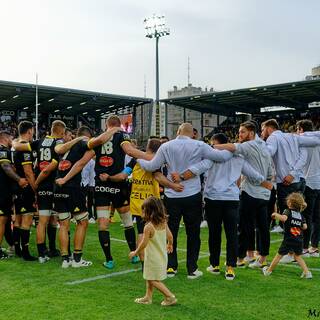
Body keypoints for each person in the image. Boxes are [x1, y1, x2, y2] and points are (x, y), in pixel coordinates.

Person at [137, 123, 234, 279]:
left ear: (178, 132)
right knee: (193, 233)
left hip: (172, 195)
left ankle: (171, 267)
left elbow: (151, 166)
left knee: (170, 231)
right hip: (192, 194)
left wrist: (138, 158)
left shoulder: (166, 146)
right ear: (192, 133)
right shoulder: (199, 145)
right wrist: (235, 148)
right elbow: (221, 157)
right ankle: (192, 269)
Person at [173, 133, 272, 280]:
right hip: (231, 199)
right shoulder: (238, 157)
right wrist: (266, 183)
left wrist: (181, 176)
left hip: (214, 198)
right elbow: (252, 173)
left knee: (215, 233)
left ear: (216, 143)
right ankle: (230, 267)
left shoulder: (212, 156)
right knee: (231, 234)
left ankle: (215, 265)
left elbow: (198, 168)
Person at [98, 138, 184, 264]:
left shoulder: (135, 160)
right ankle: (159, 259)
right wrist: (173, 186)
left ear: (148, 147)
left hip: (139, 203)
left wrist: (109, 177)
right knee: (161, 229)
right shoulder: (156, 161)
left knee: (141, 232)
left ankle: (143, 261)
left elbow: (123, 176)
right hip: (153, 203)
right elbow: (159, 177)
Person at [214, 121, 273, 268]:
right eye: (239, 132)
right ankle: (260, 258)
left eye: (242, 132)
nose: (239, 134)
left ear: (251, 133)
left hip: (251, 191)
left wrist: (213, 146)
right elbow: (271, 171)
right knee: (262, 226)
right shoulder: (264, 146)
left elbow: (232, 147)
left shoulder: (248, 145)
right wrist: (266, 183)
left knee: (244, 226)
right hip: (264, 194)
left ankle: (239, 258)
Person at [128, 197, 177, 306]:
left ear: (150, 212)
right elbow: (170, 235)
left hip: (152, 258)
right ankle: (147, 297)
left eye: (144, 210)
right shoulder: (163, 222)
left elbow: (144, 243)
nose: (142, 212)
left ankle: (170, 296)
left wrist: (135, 252)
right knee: (150, 276)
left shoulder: (148, 227)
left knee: (152, 279)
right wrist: (170, 244)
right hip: (162, 256)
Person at [262, 192, 312, 279]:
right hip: (299, 239)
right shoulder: (301, 215)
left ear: (290, 203)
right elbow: (305, 227)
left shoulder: (287, 211)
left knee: (279, 255)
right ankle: (307, 273)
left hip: (289, 239)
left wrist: (275, 214)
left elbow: (283, 218)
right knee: (297, 256)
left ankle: (268, 271)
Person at [0, 131, 28, 259]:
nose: (12, 140)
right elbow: (6, 167)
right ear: (5, 138)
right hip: (2, 191)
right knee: (2, 220)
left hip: (4, 191)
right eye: (11, 137)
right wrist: (19, 179)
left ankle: (10, 245)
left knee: (4, 221)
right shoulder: (3, 150)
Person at [12, 121, 38, 261]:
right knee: (26, 219)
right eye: (32, 131)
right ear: (29, 131)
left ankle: (17, 249)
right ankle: (26, 252)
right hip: (25, 188)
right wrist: (35, 189)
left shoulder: (15, 147)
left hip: (16, 187)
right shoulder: (24, 149)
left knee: (18, 220)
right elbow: (28, 172)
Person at [296, 120, 320, 257]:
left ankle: (304, 247)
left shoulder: (303, 140)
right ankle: (314, 246)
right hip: (319, 182)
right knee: (317, 217)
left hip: (309, 181)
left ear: (300, 129)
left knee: (307, 217)